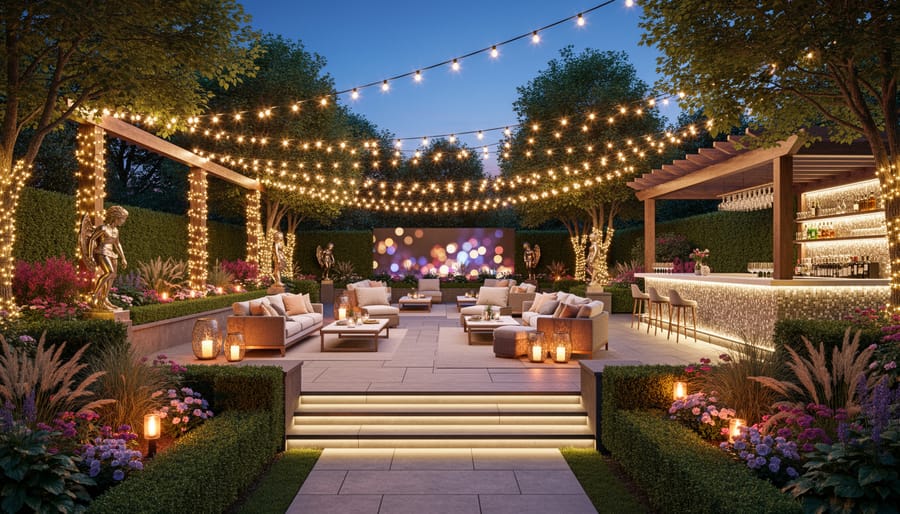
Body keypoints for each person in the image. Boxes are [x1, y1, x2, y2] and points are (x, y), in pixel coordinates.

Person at [84, 206, 129, 311]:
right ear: (116, 217)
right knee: (109, 272)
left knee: (113, 276)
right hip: (101, 252)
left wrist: (123, 258)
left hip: (112, 254)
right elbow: (92, 240)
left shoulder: (116, 231)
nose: (123, 221)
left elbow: (117, 244)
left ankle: (104, 300)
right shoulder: (103, 228)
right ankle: (94, 295)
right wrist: (90, 255)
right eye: (123, 219)